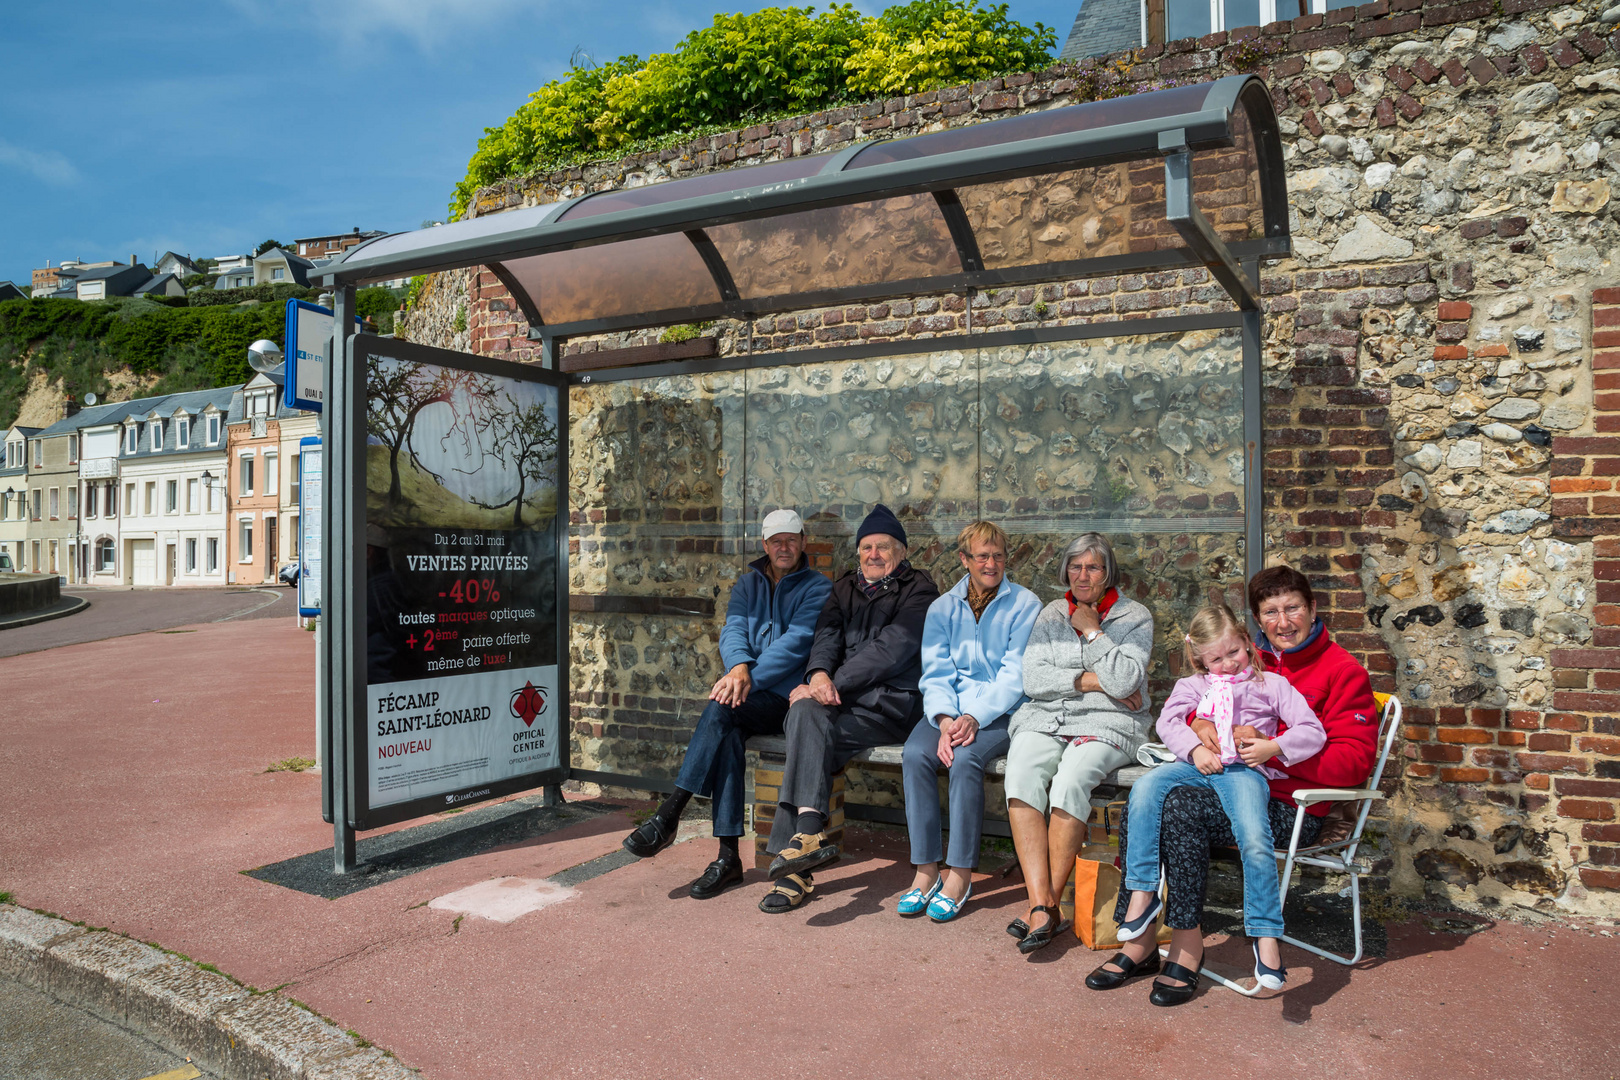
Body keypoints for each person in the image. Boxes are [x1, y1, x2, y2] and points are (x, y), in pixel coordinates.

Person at [1087, 564, 1379, 1006]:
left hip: (1290, 805)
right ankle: (1143, 937)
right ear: (1255, 623)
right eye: (1271, 612)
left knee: (1179, 807)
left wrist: (1273, 750)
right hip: (1218, 778)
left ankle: (1184, 948)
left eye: (1293, 609)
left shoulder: (1340, 671)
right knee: (1148, 796)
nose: (1283, 622)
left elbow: (1353, 761)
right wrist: (1200, 723)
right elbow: (1191, 704)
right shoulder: (1239, 660)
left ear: (1313, 608)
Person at [1112, 603, 1325, 993]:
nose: (1227, 664)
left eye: (1234, 653)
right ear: (1199, 658)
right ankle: (1143, 894)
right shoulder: (1194, 685)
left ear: (1247, 642)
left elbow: (1313, 731)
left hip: (1244, 773)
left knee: (1254, 836)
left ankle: (1265, 935)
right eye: (1216, 658)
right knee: (1144, 789)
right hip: (1198, 766)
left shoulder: (1272, 685)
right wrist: (1194, 749)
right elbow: (1167, 722)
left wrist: (1272, 746)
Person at [620, 508, 831, 899]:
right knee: (728, 735)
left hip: (786, 701)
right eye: (776, 541)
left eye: (791, 539)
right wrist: (736, 668)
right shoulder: (748, 584)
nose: (784, 547)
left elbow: (796, 643)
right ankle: (728, 857)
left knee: (721, 708)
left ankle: (670, 814)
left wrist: (745, 679)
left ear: (803, 542)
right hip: (746, 695)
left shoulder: (817, 587)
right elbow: (733, 628)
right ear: (764, 545)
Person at [760, 503, 939, 914]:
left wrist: (829, 684)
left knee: (806, 730)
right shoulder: (843, 588)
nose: (872, 555)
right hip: (840, 704)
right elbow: (826, 636)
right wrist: (819, 673)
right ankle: (806, 838)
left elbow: (892, 649)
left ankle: (793, 872)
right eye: (865, 547)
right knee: (804, 719)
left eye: (883, 547)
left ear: (902, 552)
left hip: (890, 708)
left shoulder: (921, 591)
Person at [1003, 533, 1153, 953]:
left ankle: (1042, 906)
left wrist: (1091, 632)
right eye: (1075, 566)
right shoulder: (1052, 613)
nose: (1082, 575)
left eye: (1093, 567)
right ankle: (1044, 903)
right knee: (1021, 771)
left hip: (1111, 722)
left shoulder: (1134, 617)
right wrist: (1091, 680)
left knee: (1071, 779)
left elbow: (1126, 682)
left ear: (1109, 573)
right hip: (1047, 717)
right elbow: (1033, 680)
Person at [898, 521, 1042, 922]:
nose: (991, 563)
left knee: (965, 761)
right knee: (914, 755)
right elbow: (935, 672)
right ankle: (926, 870)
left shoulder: (1025, 605)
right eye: (982, 556)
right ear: (965, 560)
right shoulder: (942, 607)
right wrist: (945, 719)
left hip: (999, 712)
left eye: (997, 555)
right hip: (949, 710)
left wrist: (974, 718)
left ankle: (960, 874)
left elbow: (1015, 676)